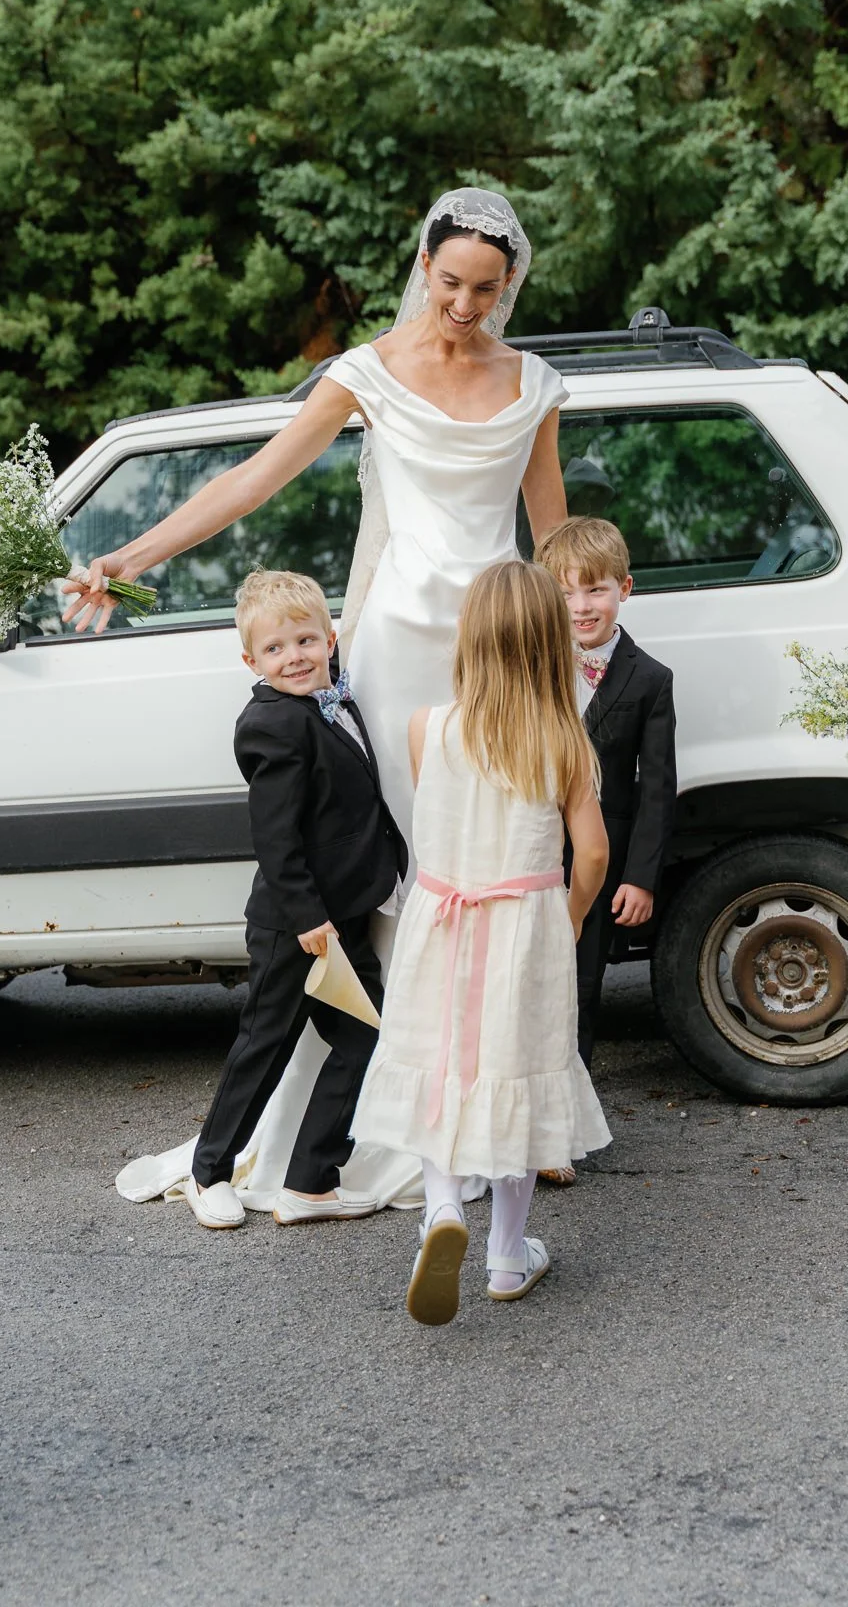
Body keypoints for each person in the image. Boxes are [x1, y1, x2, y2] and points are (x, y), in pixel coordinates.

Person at [98, 189, 568, 1218]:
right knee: (401, 870)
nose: (464, 304)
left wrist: (571, 663)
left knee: (489, 869)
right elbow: (254, 481)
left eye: (486, 289)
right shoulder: (365, 375)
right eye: (449, 282)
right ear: (423, 265)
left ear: (510, 288)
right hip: (399, 648)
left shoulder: (533, 385)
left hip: (492, 656)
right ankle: (385, 1123)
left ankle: (496, 1115)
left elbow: (554, 539)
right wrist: (129, 558)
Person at [351, 560, 612, 1325]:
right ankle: (505, 1254)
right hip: (522, 927)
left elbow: (430, 819)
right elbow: (591, 854)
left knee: (441, 1069)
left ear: (469, 640)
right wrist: (568, 916)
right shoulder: (563, 739)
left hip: (441, 921)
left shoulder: (426, 728)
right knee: (518, 1077)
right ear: (546, 643)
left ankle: (439, 1210)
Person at [185, 571, 406, 1229]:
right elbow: (276, 839)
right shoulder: (272, 726)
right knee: (266, 1045)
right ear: (250, 660)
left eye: (306, 640)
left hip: (344, 918)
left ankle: (311, 1179)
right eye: (276, 649)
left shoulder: (334, 703)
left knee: (365, 1036)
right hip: (297, 925)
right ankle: (208, 1172)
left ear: (330, 637)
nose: (296, 656)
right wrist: (309, 918)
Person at [534, 517, 676, 1161]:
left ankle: (567, 1123)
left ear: (624, 588)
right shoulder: (531, 665)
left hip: (601, 861)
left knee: (581, 984)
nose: (580, 607)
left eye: (594, 591)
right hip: (530, 849)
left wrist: (640, 876)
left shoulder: (649, 678)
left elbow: (656, 787)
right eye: (564, 594)